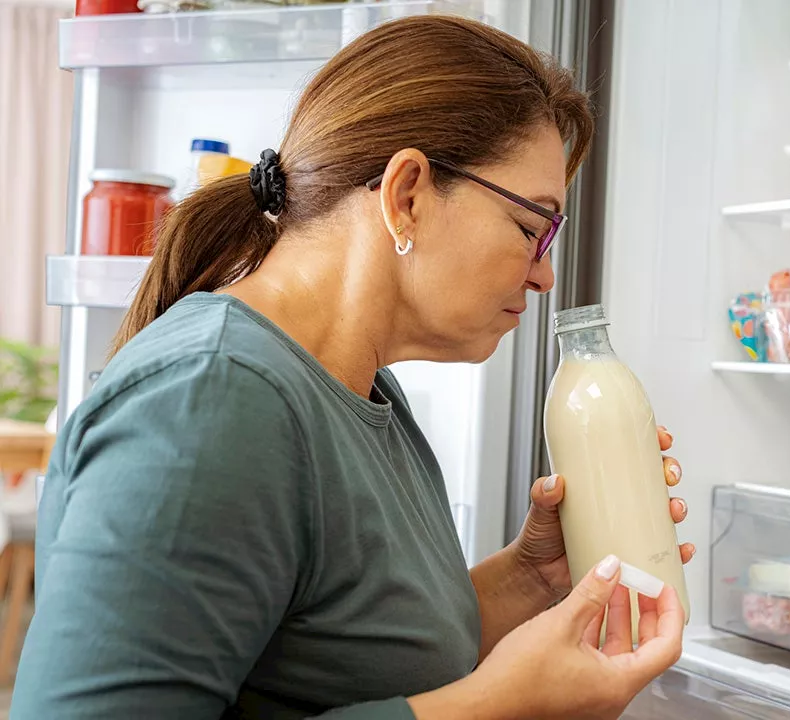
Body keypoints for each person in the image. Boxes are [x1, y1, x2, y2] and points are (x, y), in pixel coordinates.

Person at [13, 14, 693, 720]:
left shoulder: (363, 392)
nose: (546, 275)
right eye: (532, 229)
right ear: (407, 194)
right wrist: (501, 709)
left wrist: (531, 576)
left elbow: (351, 662)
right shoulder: (209, 401)